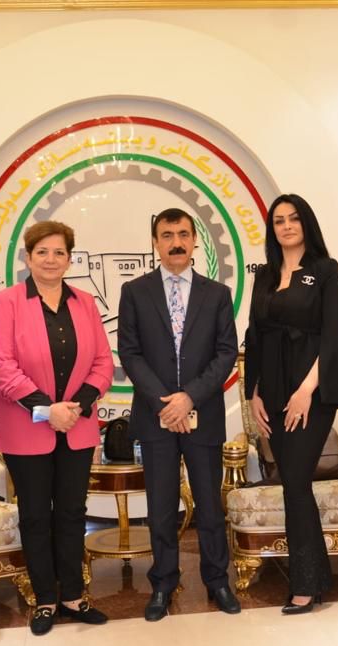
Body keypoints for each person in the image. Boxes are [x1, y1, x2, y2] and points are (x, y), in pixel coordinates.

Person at [0, 221, 114, 636]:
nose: (51, 259)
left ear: (70, 260)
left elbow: (103, 362)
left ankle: (73, 596)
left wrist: (76, 408)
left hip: (77, 426)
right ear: (27, 258)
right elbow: (2, 365)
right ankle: (44, 599)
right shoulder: (7, 301)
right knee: (37, 515)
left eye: (59, 252)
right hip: (28, 429)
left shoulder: (85, 302)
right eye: (42, 252)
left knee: (73, 513)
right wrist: (47, 410)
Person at [117, 207, 241, 621]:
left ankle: (217, 580)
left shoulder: (216, 294)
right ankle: (163, 583)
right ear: (155, 243)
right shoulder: (135, 291)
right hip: (156, 418)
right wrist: (165, 403)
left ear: (194, 241)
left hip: (203, 413)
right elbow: (130, 353)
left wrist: (189, 397)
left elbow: (226, 352)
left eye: (183, 234)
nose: (176, 243)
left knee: (209, 505)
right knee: (161, 507)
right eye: (167, 235)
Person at [243, 194, 338, 614]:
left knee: (294, 480)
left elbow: (336, 334)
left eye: (293, 218)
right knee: (294, 483)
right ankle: (317, 577)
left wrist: (306, 390)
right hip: (272, 392)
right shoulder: (265, 274)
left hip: (311, 393)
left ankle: (306, 585)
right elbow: (254, 336)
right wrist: (253, 392)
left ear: (306, 223)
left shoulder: (325, 270)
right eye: (278, 221)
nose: (287, 226)